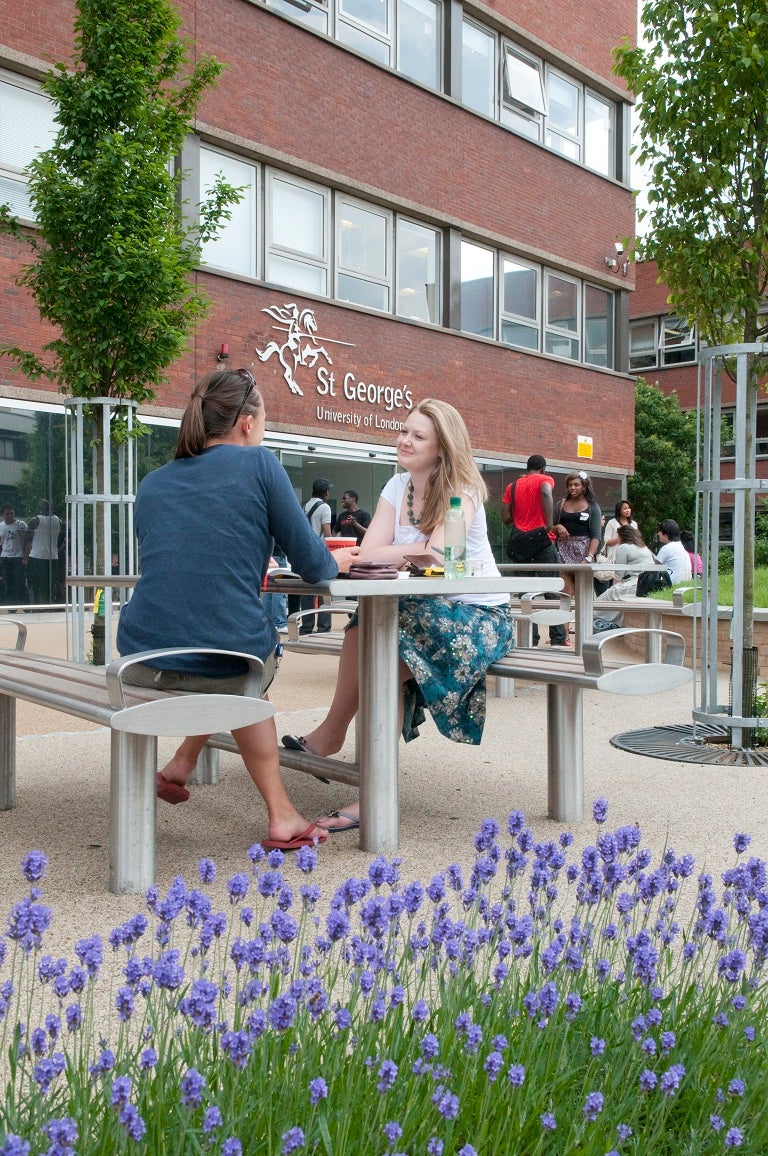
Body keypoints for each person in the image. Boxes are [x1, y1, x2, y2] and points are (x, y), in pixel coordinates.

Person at [116, 367, 358, 851]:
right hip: (222, 662)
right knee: (248, 661)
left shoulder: (155, 480)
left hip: (139, 661)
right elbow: (313, 567)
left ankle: (182, 763)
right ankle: (282, 815)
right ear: (247, 422)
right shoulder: (261, 464)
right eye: (264, 420)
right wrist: (338, 557)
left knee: (218, 642)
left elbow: (186, 559)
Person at [281, 398, 516, 832]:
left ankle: (365, 784)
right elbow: (379, 552)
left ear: (442, 447)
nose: (404, 440)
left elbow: (443, 558)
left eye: (417, 435)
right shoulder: (397, 485)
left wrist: (398, 552)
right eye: (404, 430)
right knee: (368, 623)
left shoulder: (462, 489)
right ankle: (339, 742)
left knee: (386, 649)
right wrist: (407, 552)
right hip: (423, 608)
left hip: (479, 615)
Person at [501, 454, 567, 647]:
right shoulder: (545, 479)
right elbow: (546, 492)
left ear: (527, 467)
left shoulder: (511, 487)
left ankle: (530, 639)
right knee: (552, 590)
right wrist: (549, 525)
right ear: (543, 468)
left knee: (525, 593)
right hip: (543, 541)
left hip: (521, 543)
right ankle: (557, 638)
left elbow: (505, 518)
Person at [552, 471, 602, 598]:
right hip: (563, 551)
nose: (572, 487)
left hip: (583, 553)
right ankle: (567, 618)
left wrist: (589, 557)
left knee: (582, 594)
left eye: (576, 485)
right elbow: (549, 528)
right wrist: (558, 527)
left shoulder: (592, 507)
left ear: (584, 487)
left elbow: (596, 535)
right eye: (570, 485)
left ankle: (582, 618)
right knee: (565, 593)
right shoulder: (560, 504)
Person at [594, 524, 655, 625]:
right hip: (645, 584)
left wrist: (612, 589)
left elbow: (618, 575)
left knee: (599, 602)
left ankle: (595, 626)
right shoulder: (643, 547)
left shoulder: (623, 547)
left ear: (622, 536)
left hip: (632, 584)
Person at [298, 478, 334, 634]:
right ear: (326, 493)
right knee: (324, 592)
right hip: (320, 553)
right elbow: (327, 533)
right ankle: (323, 628)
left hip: (306, 552)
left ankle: (306, 627)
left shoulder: (305, 506)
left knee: (307, 592)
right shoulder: (325, 507)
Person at [23, 500, 62, 604]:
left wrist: (25, 557)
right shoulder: (58, 520)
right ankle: (49, 604)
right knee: (50, 583)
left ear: (39, 508)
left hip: (36, 556)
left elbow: (27, 539)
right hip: (53, 557)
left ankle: (35, 605)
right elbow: (60, 539)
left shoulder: (35, 520)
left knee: (34, 583)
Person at [0, 506, 28, 607]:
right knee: (8, 582)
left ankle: (25, 606)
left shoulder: (21, 524)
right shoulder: (1, 526)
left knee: (20, 582)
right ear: (3, 515)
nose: (10, 516)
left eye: (12, 513)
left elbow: (28, 540)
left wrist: (25, 557)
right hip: (5, 556)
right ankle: (11, 606)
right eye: (7, 514)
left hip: (18, 557)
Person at [656, 519, 692, 585]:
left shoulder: (667, 548)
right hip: (685, 583)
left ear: (666, 535)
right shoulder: (681, 546)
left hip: (671, 583)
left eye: (660, 531)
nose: (658, 533)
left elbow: (655, 567)